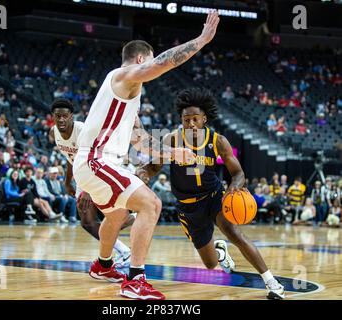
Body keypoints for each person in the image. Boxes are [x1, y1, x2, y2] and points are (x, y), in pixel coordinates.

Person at [73, 11, 220, 300]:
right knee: (151, 204)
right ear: (142, 59)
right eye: (149, 61)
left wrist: (173, 153)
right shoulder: (124, 75)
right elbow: (164, 63)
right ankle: (136, 280)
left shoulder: (128, 96)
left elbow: (141, 142)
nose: (151, 67)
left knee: (116, 215)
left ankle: (103, 266)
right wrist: (201, 40)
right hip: (96, 160)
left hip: (94, 164)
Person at [141, 87, 285, 299]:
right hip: (188, 206)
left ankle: (272, 283)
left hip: (214, 196)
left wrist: (235, 186)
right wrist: (143, 173)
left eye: (195, 119)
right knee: (210, 264)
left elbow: (238, 172)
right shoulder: (172, 139)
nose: (190, 124)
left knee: (234, 233)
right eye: (186, 119)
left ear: (204, 119)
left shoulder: (217, 140)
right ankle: (220, 252)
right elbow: (153, 167)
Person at [49, 99, 133, 266]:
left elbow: (92, 158)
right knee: (87, 223)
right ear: (53, 116)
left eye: (65, 116)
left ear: (71, 116)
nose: (61, 120)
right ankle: (126, 246)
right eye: (58, 116)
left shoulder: (82, 131)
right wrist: (67, 182)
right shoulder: (54, 132)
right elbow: (70, 158)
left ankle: (127, 243)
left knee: (107, 216)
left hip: (98, 170)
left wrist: (87, 189)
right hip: (82, 174)